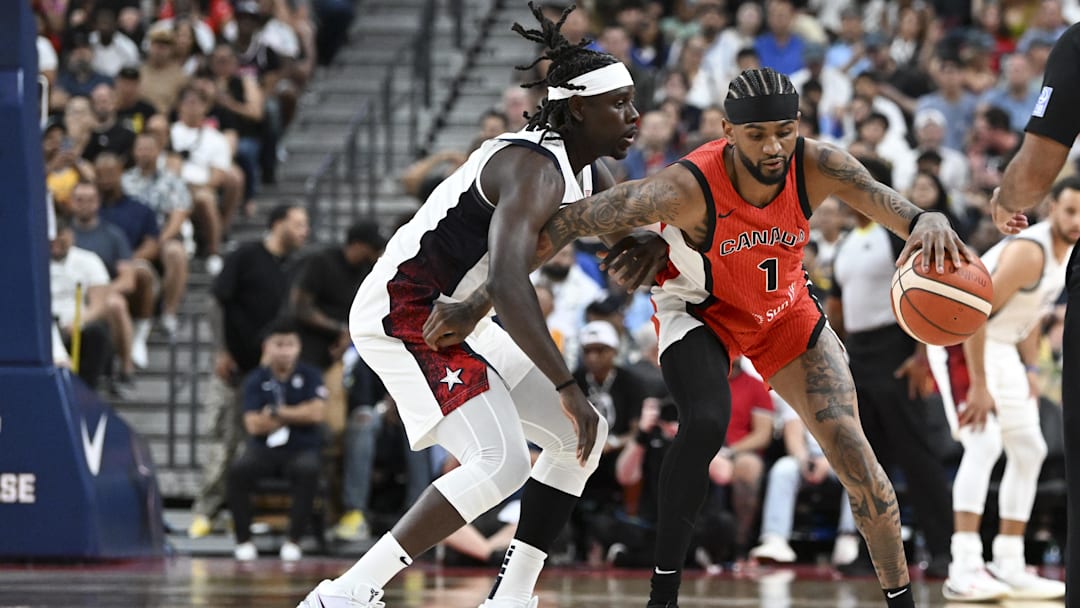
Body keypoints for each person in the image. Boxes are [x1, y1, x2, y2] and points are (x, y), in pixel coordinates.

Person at [441, 67, 970, 608]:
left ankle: (900, 601)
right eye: (757, 134)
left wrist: (925, 218)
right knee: (706, 421)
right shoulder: (683, 187)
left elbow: (889, 203)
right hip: (700, 310)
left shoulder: (818, 164)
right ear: (727, 130)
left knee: (857, 457)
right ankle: (663, 596)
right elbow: (567, 222)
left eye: (784, 131)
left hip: (784, 311)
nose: (773, 146)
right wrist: (476, 301)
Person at [297, 5, 660, 607]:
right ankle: (348, 591)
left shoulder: (581, 168)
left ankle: (511, 597)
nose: (634, 115)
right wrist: (566, 384)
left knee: (581, 441)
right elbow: (514, 284)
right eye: (618, 103)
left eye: (632, 101)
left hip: (463, 313)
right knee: (501, 462)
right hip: (407, 312)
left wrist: (649, 243)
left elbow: (622, 233)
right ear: (576, 110)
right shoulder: (531, 168)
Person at [928, 178, 1077, 602]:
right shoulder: (1030, 252)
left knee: (1029, 448)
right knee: (984, 445)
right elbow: (974, 314)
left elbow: (1027, 315)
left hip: (1002, 345)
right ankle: (964, 566)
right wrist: (978, 385)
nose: (1076, 221)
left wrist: (1030, 367)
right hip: (962, 339)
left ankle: (1009, 563)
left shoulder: (1066, 255)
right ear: (1051, 207)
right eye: (1069, 211)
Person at [988, 23, 1080, 602]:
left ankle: (988, 556)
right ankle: (986, 557)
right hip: (989, 350)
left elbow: (1037, 165)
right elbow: (989, 320)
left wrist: (1006, 195)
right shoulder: (1032, 253)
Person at [228, 317, 326, 562]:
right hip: (264, 449)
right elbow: (253, 425)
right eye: (278, 344)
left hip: (301, 447)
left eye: (290, 344)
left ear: (299, 347)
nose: (284, 351)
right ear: (267, 348)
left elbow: (317, 413)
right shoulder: (255, 379)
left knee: (309, 469)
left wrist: (275, 412)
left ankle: (294, 540)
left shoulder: (311, 375)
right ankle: (243, 540)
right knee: (238, 470)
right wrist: (298, 412)